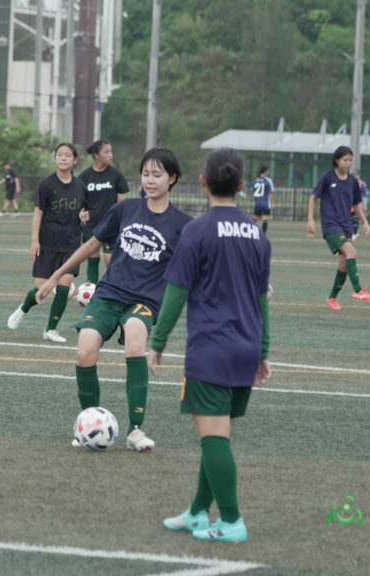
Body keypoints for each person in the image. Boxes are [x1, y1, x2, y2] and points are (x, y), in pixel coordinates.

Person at [149, 147, 271, 543]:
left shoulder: (196, 231)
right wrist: (263, 351)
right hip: (246, 347)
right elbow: (262, 299)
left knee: (214, 438)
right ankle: (198, 511)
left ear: (202, 182)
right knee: (217, 431)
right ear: (241, 185)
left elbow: (176, 292)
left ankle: (232, 521)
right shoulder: (257, 234)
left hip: (211, 349)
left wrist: (157, 341)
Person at [36, 147, 193, 452]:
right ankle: (90, 423)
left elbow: (211, 257)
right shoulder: (126, 209)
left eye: (157, 174)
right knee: (84, 351)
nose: (150, 180)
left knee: (135, 338)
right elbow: (91, 244)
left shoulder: (183, 223)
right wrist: (56, 275)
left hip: (145, 300)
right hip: (109, 293)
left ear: (172, 178)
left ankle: (136, 430)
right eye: (145, 174)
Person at [7, 143, 85, 342]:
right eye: (60, 155)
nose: (63, 158)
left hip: (71, 244)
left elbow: (85, 212)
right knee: (42, 289)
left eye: (68, 155)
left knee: (65, 286)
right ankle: (24, 308)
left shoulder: (80, 186)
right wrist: (34, 240)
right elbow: (38, 213)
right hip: (48, 243)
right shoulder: (46, 185)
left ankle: (51, 329)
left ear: (75, 160)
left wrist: (84, 217)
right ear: (55, 159)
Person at [306, 146, 370, 310]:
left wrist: (365, 221)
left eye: (350, 160)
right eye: (345, 160)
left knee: (344, 265)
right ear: (337, 160)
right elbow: (313, 197)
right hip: (331, 226)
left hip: (347, 226)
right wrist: (310, 220)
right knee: (351, 252)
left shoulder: (353, 182)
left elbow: (356, 205)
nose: (348, 163)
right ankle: (358, 290)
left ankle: (332, 299)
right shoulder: (327, 177)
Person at [78, 140, 130, 283]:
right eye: (106, 152)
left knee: (110, 261)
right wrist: (81, 215)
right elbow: (80, 203)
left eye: (111, 152)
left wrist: (121, 224)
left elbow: (122, 204)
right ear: (96, 155)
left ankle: (114, 288)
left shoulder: (116, 175)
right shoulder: (85, 176)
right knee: (92, 259)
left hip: (111, 226)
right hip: (91, 226)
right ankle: (92, 289)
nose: (110, 155)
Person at [250, 165, 274, 232]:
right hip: (265, 203)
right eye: (268, 170)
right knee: (265, 219)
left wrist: (256, 199)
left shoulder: (255, 181)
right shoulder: (268, 181)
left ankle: (251, 232)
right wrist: (273, 203)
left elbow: (253, 192)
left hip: (257, 203)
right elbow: (271, 192)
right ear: (265, 171)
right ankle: (263, 235)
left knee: (254, 219)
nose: (269, 171)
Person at [350, 169, 369, 238]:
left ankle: (354, 232)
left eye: (356, 175)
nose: (354, 176)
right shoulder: (348, 183)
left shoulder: (362, 184)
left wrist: (365, 205)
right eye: (353, 175)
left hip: (358, 204)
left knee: (355, 218)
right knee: (349, 218)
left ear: (359, 175)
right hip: (350, 204)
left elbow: (365, 195)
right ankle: (352, 232)